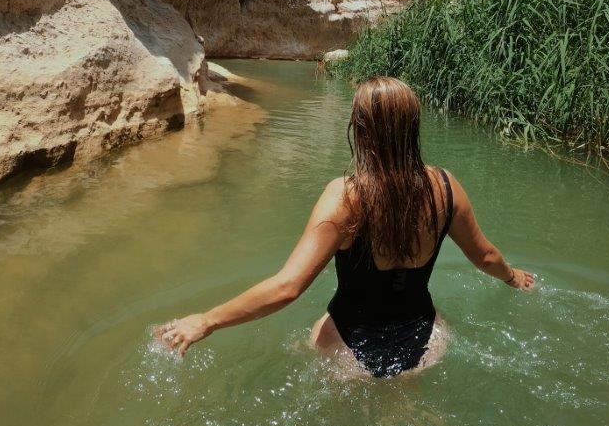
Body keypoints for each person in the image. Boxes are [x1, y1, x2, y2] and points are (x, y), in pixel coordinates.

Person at [155, 76, 535, 377]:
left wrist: (205, 321)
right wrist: (514, 277)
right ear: (413, 128)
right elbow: (485, 256)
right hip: (426, 341)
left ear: (361, 131)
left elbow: (288, 288)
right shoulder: (446, 187)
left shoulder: (345, 197)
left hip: (346, 347)